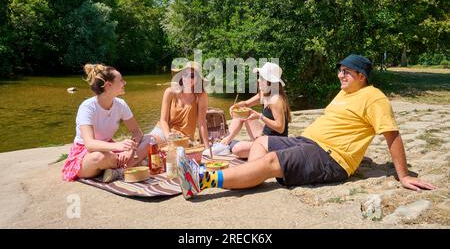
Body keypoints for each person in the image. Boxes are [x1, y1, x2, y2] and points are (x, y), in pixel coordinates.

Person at [176, 54, 437, 199]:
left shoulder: (374, 97)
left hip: (331, 157)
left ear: (362, 76)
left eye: (346, 72)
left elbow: (392, 135)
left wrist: (403, 175)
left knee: (272, 161)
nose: (340, 75)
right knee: (261, 143)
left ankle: (201, 179)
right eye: (340, 70)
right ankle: (245, 179)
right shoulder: (345, 93)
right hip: (310, 142)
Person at [62, 64, 151, 183]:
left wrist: (129, 150)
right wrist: (118, 146)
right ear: (109, 85)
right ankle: (126, 166)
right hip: (88, 154)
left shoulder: (121, 104)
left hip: (110, 150)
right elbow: (90, 144)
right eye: (121, 80)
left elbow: (137, 132)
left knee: (149, 140)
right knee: (100, 157)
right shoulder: (87, 107)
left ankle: (117, 170)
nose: (124, 83)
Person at [220, 62, 292, 158]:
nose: (258, 80)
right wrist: (235, 106)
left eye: (262, 78)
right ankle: (227, 140)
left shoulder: (276, 99)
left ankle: (229, 145)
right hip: (264, 136)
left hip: (276, 143)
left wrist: (260, 116)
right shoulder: (264, 94)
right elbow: (246, 104)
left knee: (237, 149)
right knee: (244, 111)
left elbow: (280, 128)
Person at [149, 61, 210, 148]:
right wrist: (169, 137)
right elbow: (163, 120)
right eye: (185, 74)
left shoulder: (201, 95)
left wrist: (207, 148)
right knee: (148, 142)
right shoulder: (170, 92)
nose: (188, 78)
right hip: (164, 131)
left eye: (192, 76)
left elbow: (202, 122)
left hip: (184, 138)